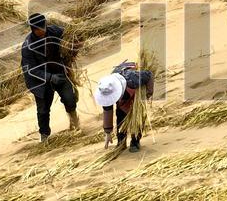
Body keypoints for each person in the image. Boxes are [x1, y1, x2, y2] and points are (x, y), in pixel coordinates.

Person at [21, 12, 79, 143]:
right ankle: (44, 136)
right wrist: (49, 77)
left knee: (70, 99)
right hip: (39, 81)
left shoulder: (54, 31)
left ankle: (75, 122)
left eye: (43, 26)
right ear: (33, 29)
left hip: (59, 71)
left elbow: (71, 35)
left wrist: (73, 49)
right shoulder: (27, 47)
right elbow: (31, 69)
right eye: (38, 29)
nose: (42, 30)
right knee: (43, 110)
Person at [93, 61, 154, 153]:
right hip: (123, 99)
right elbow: (107, 111)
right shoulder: (106, 90)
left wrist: (148, 93)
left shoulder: (133, 79)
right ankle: (121, 141)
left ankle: (135, 141)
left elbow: (149, 75)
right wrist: (108, 132)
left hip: (134, 93)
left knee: (137, 117)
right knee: (120, 116)